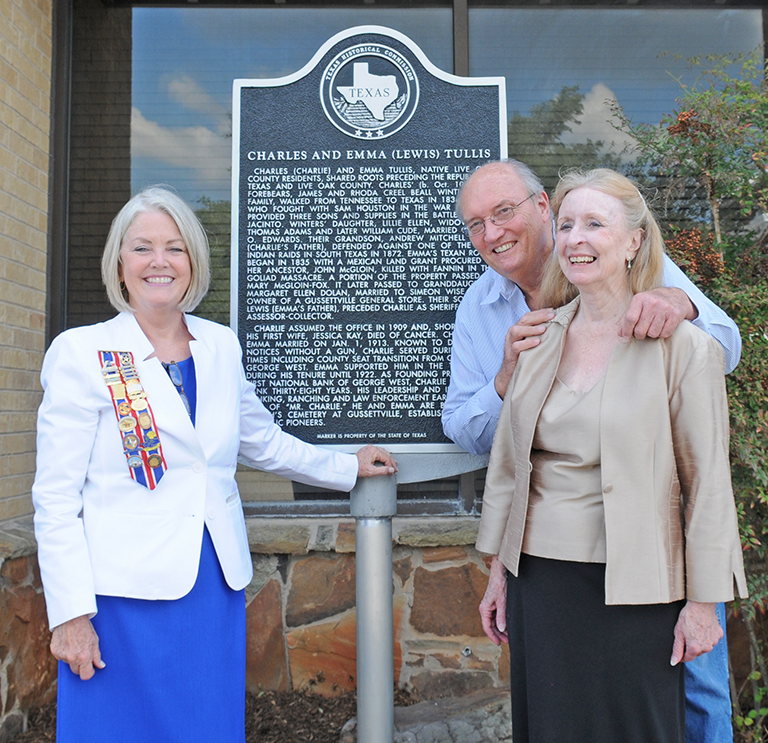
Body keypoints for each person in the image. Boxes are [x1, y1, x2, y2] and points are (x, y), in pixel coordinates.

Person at [32, 185, 397, 743]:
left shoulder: (220, 345)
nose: (159, 261)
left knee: (204, 725)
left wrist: (347, 467)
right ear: (120, 263)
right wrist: (70, 614)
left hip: (210, 586)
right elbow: (56, 498)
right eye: (142, 247)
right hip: (119, 598)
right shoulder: (82, 352)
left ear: (193, 261)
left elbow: (263, 442)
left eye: (175, 247)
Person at [442, 159, 741, 742]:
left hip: (647, 576)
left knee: (682, 708)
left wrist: (704, 603)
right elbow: (505, 462)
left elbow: (707, 480)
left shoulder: (680, 339)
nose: (492, 231)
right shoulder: (526, 335)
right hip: (543, 582)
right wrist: (499, 570)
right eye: (476, 224)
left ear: (633, 242)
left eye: (504, 212)